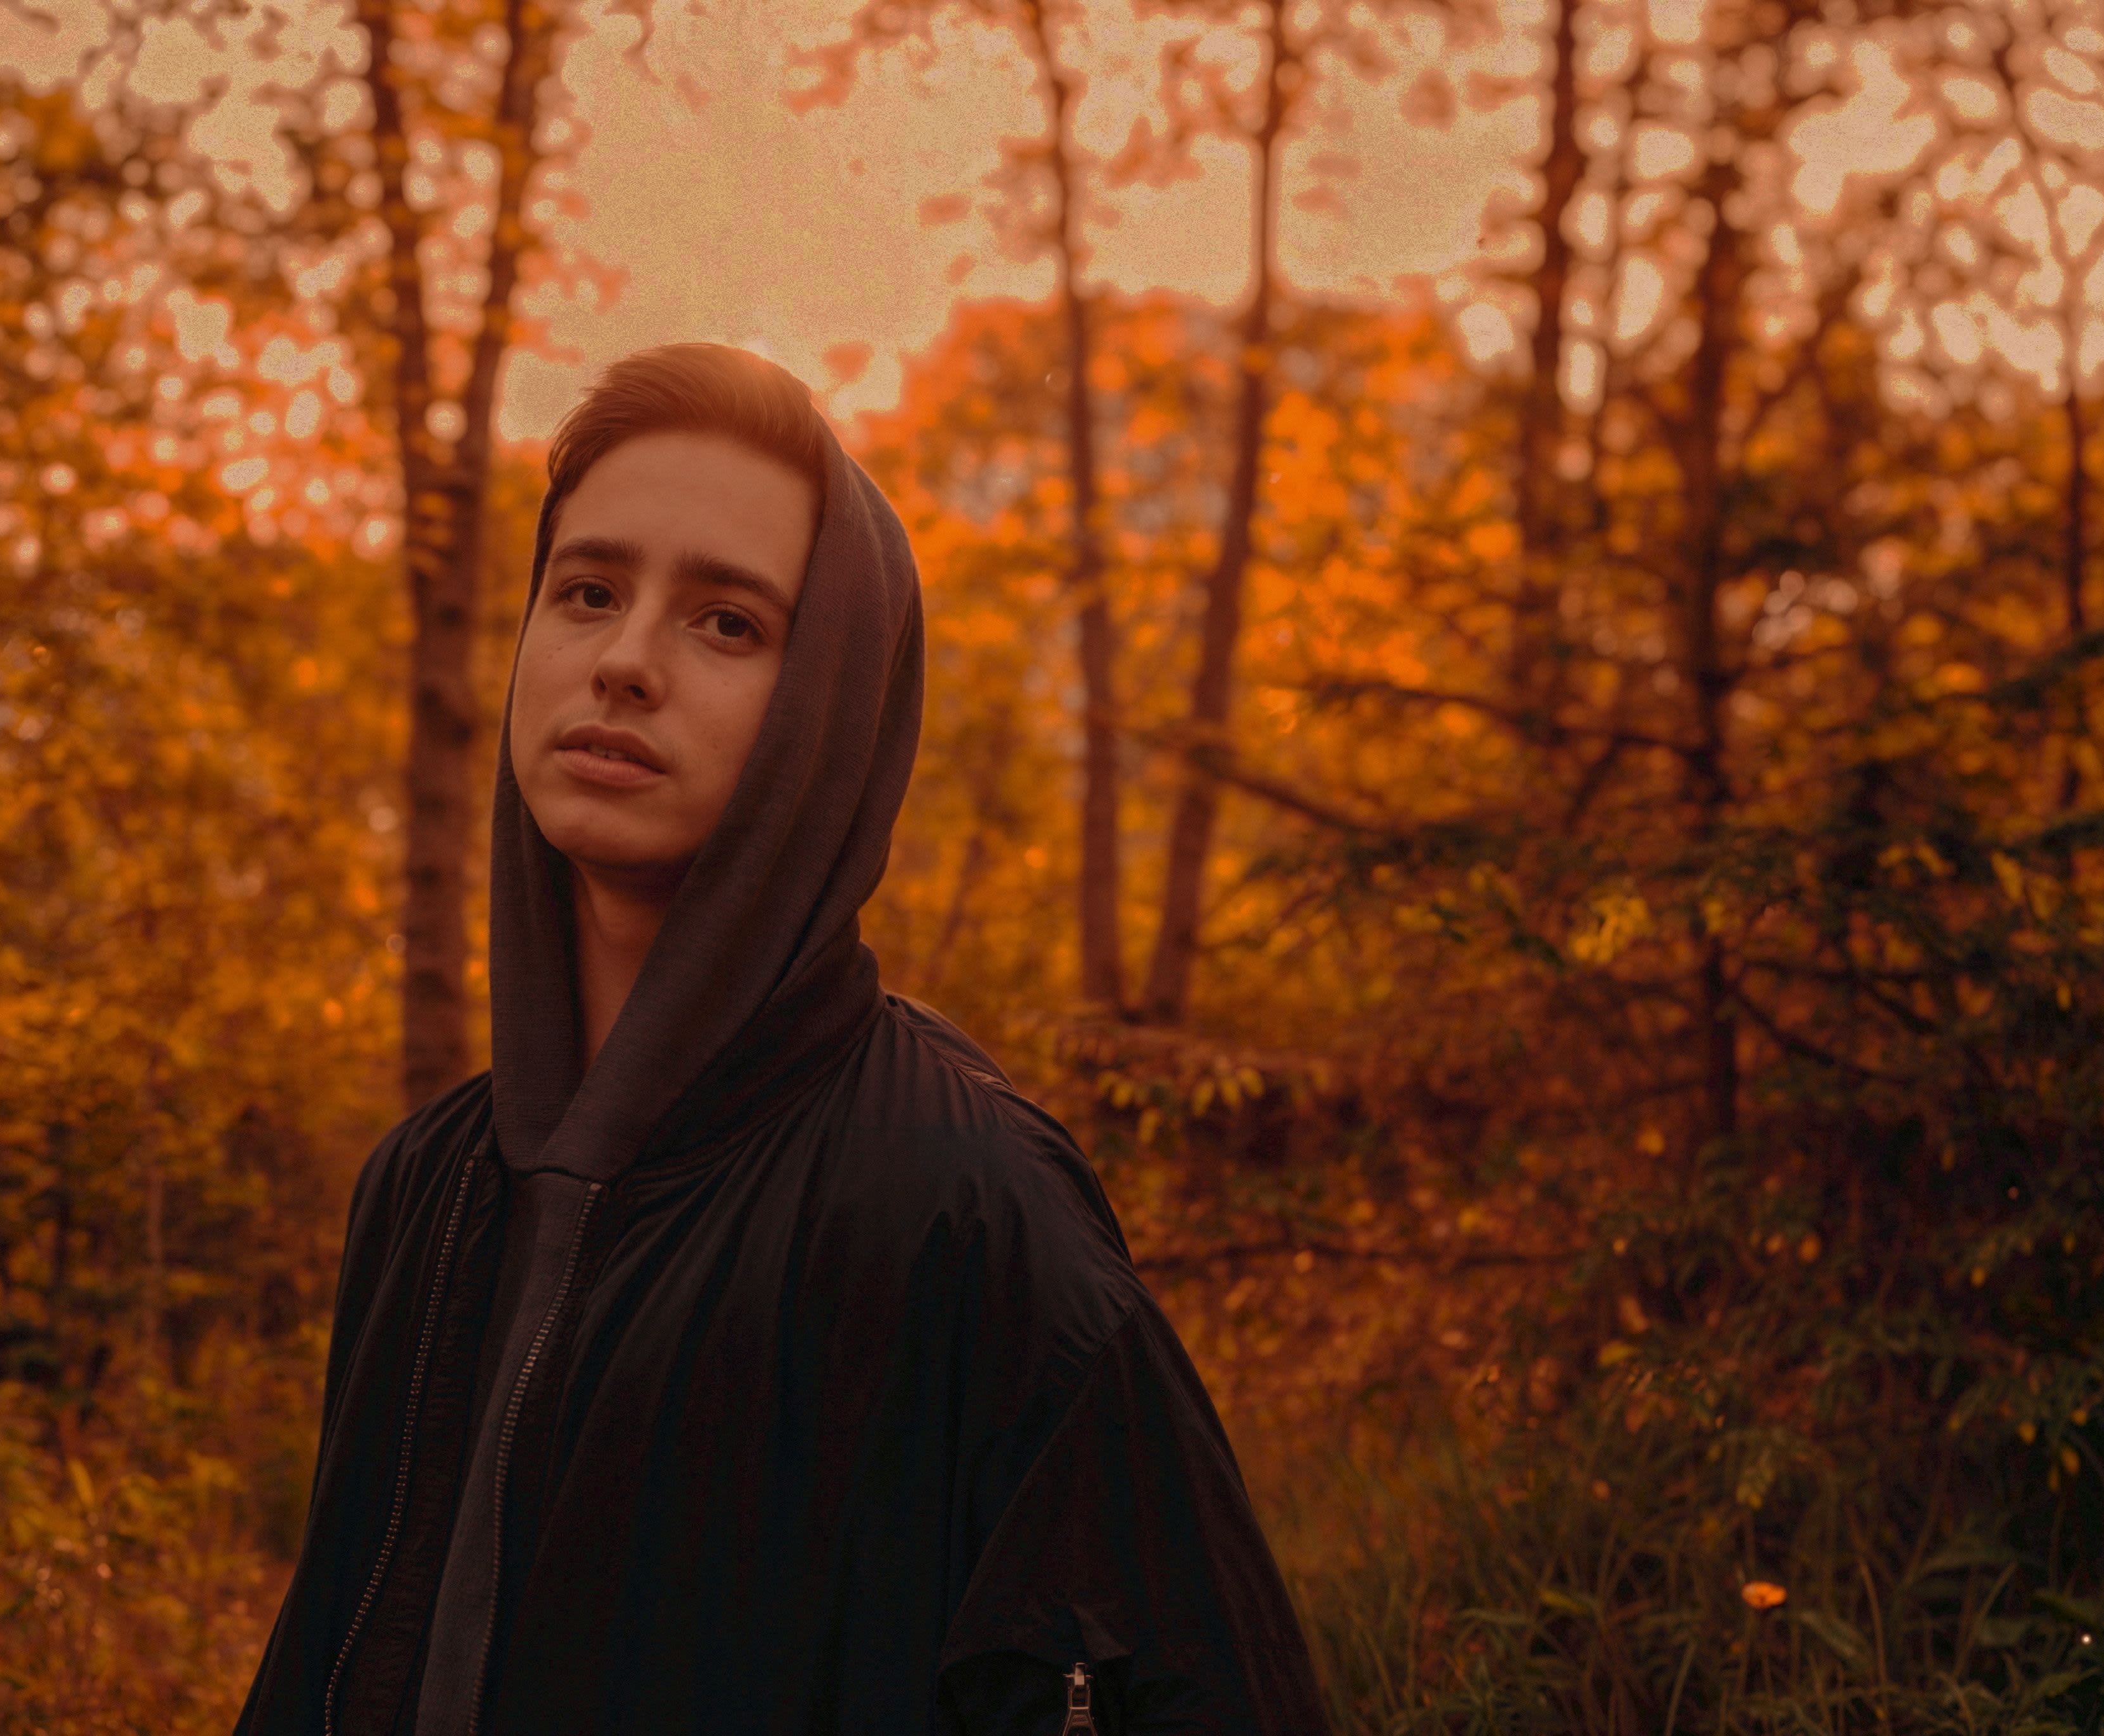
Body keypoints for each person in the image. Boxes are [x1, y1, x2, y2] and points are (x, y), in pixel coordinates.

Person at [233, 343, 1330, 1736]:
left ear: (828, 708)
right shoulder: (424, 1189)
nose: (624, 662)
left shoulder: (961, 1207)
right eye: (588, 592)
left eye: (726, 623)